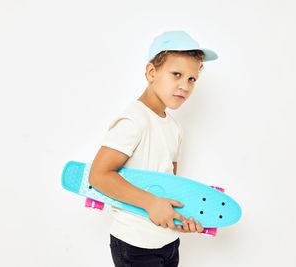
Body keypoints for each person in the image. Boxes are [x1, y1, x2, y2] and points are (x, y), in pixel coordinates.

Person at [88, 30, 218, 267]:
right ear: (151, 72)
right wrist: (150, 203)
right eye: (176, 74)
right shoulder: (134, 120)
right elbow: (98, 175)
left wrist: (183, 218)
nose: (185, 86)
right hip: (135, 244)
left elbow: (171, 186)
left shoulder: (175, 128)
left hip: (168, 242)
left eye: (191, 79)